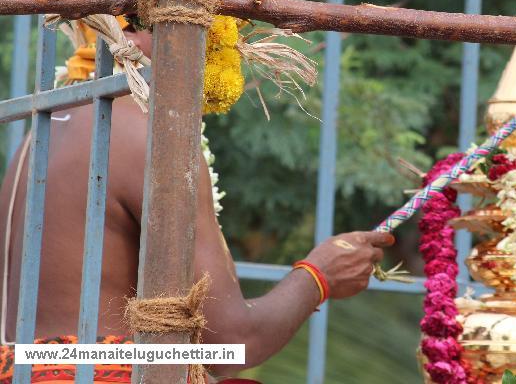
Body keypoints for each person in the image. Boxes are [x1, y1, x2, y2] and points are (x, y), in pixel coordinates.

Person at [0, 24, 394, 382]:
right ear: (135, 30)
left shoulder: (44, 133)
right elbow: (232, 344)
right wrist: (319, 276)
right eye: (209, 31)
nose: (218, 52)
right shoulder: (147, 138)